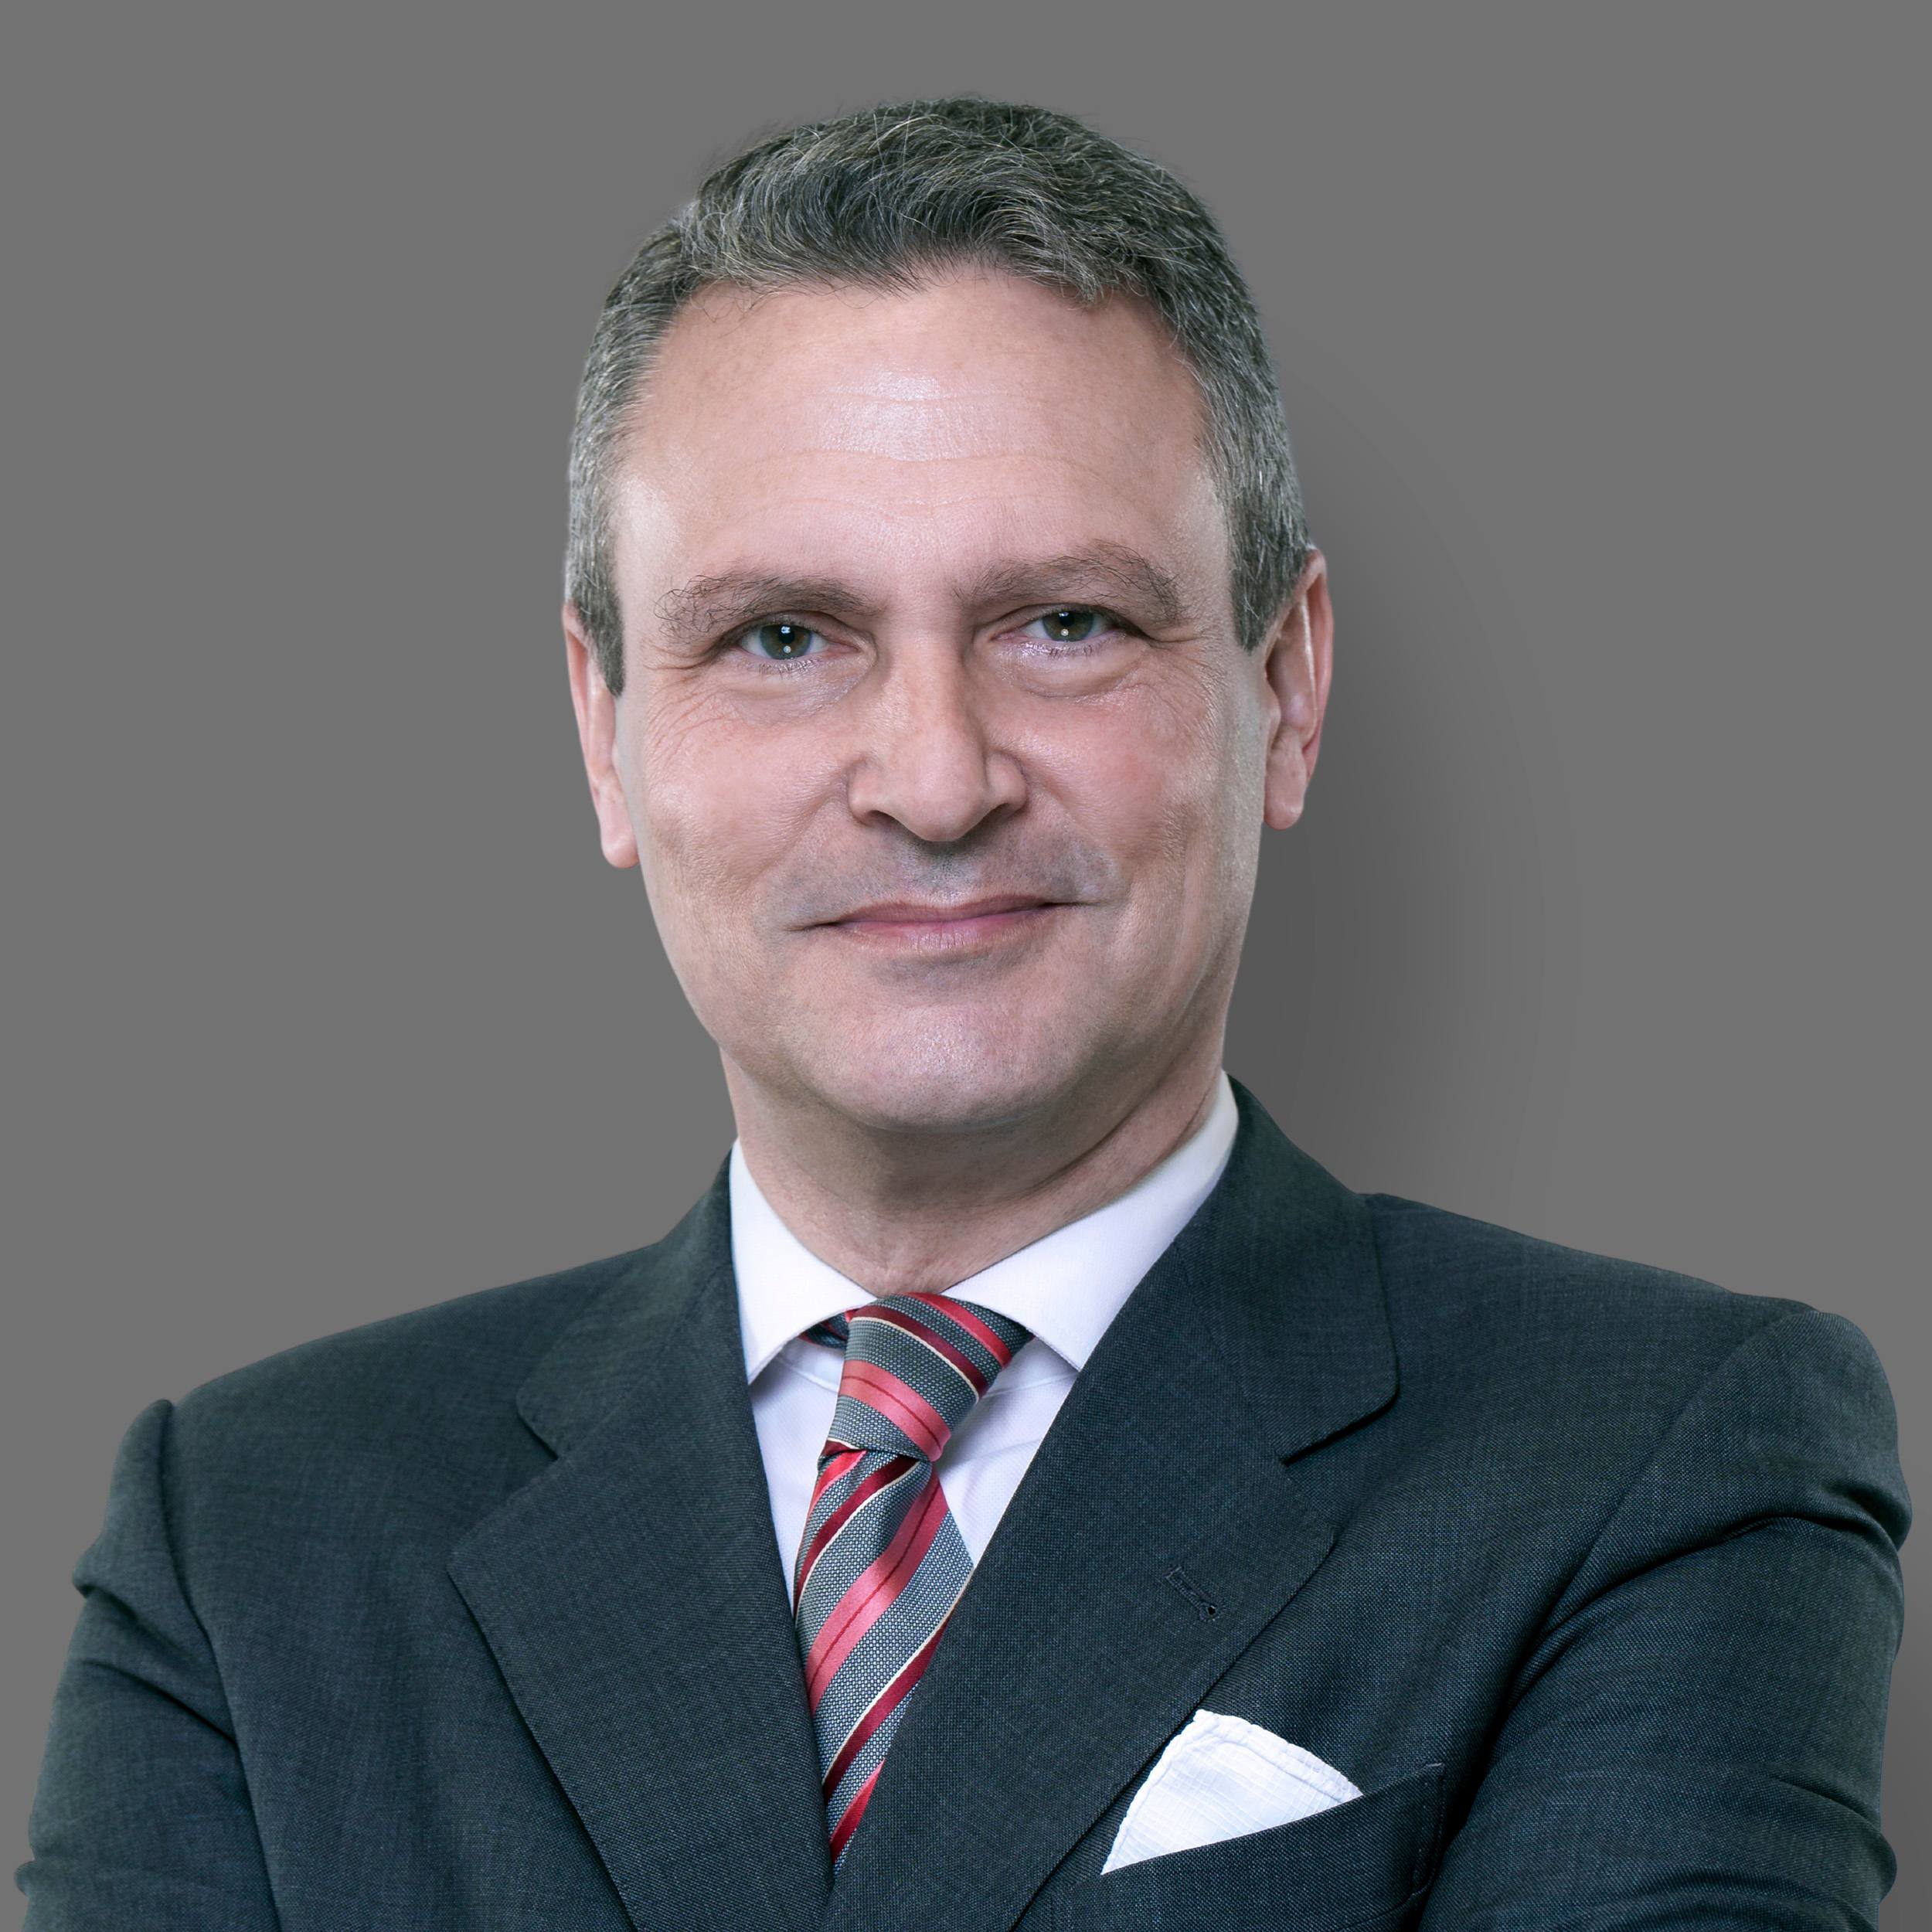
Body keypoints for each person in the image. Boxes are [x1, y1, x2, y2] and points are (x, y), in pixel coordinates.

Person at [19, 96, 1907, 1931]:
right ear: (605, 730)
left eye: (1063, 623)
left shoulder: (1654, 1458)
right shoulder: (249, 1534)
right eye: (781, 637)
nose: (933, 779)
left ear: (1286, 686)